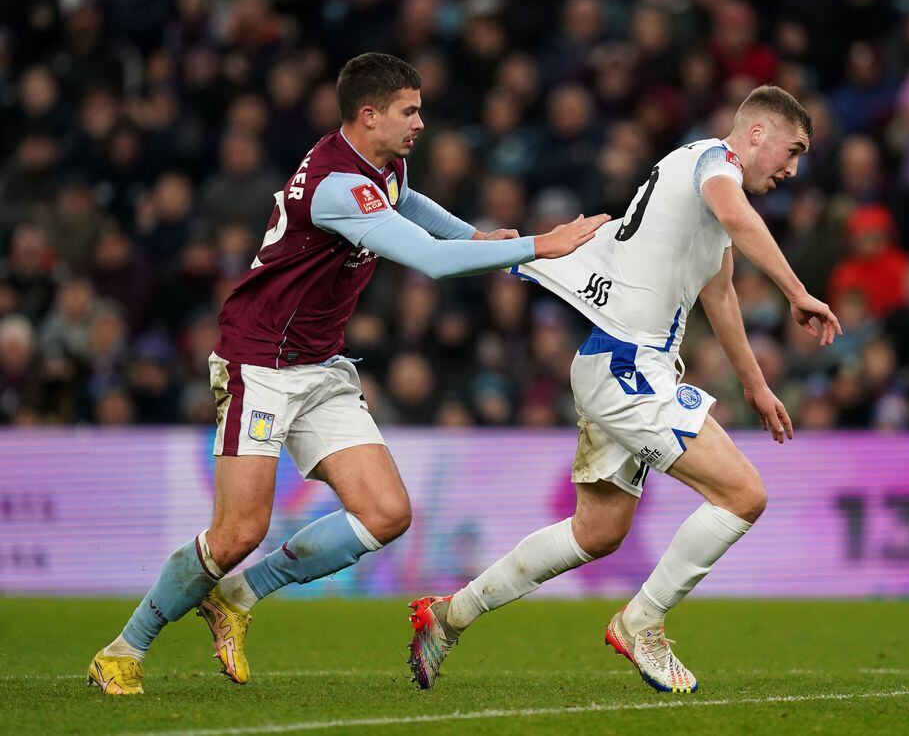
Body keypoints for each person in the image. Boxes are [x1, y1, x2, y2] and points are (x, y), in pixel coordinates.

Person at [86, 53, 609, 695]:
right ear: (369, 116)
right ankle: (124, 649)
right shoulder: (339, 186)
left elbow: (410, 203)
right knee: (237, 532)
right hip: (261, 361)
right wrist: (537, 245)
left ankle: (238, 597)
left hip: (320, 363)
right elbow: (431, 263)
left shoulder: (382, 167)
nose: (421, 122)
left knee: (386, 513)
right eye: (409, 111)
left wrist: (476, 238)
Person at [407, 85, 840, 693]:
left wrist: (757, 386)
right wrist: (797, 290)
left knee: (598, 532)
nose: (793, 169)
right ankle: (642, 622)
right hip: (627, 367)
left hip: (619, 362)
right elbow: (738, 216)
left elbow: (719, 294)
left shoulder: (703, 196)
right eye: (792, 151)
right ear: (757, 135)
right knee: (743, 495)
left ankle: (448, 616)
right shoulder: (714, 165)